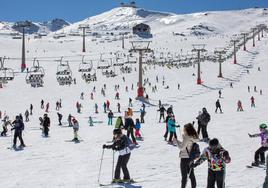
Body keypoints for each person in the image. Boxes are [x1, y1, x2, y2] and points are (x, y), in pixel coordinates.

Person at [174, 123, 199, 188]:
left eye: (184, 129)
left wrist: (176, 141)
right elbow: (185, 145)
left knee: (184, 177)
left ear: (187, 129)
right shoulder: (193, 137)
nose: (183, 130)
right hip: (191, 158)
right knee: (191, 175)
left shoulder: (187, 137)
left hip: (185, 158)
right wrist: (179, 142)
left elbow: (182, 147)